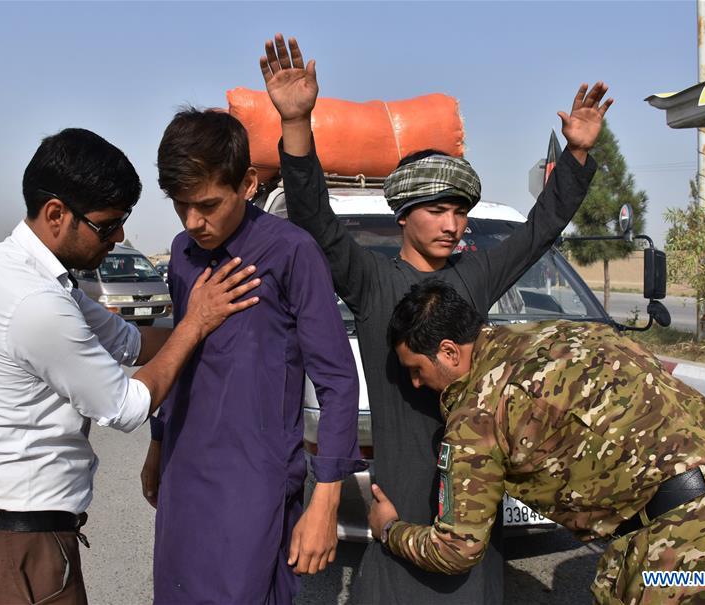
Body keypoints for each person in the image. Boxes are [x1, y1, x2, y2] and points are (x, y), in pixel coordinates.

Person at [259, 33, 611, 603]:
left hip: (472, 503)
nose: (453, 224)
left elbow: (540, 230)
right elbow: (315, 218)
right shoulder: (373, 284)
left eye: (460, 211)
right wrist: (296, 123)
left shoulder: (474, 278)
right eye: (438, 210)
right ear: (403, 215)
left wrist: (575, 157)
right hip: (398, 504)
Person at [0, 127, 260, 605]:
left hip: (12, 535)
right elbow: (127, 407)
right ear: (56, 214)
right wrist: (196, 323)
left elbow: (129, 343)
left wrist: (218, 328)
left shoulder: (34, 275)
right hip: (16, 549)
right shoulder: (33, 302)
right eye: (107, 226)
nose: (120, 237)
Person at [370, 279, 705, 604]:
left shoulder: (478, 410)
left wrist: (389, 529)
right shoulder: (569, 334)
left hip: (692, 548)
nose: (415, 382)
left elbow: (456, 549)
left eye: (416, 368)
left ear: (448, 352)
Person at [141, 108, 365, 604]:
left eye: (207, 205)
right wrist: (157, 446)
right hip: (184, 469)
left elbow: (337, 380)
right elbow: (181, 356)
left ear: (246, 184)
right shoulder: (183, 254)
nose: (193, 222)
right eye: (180, 205)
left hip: (254, 480)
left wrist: (326, 500)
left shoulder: (291, 252)